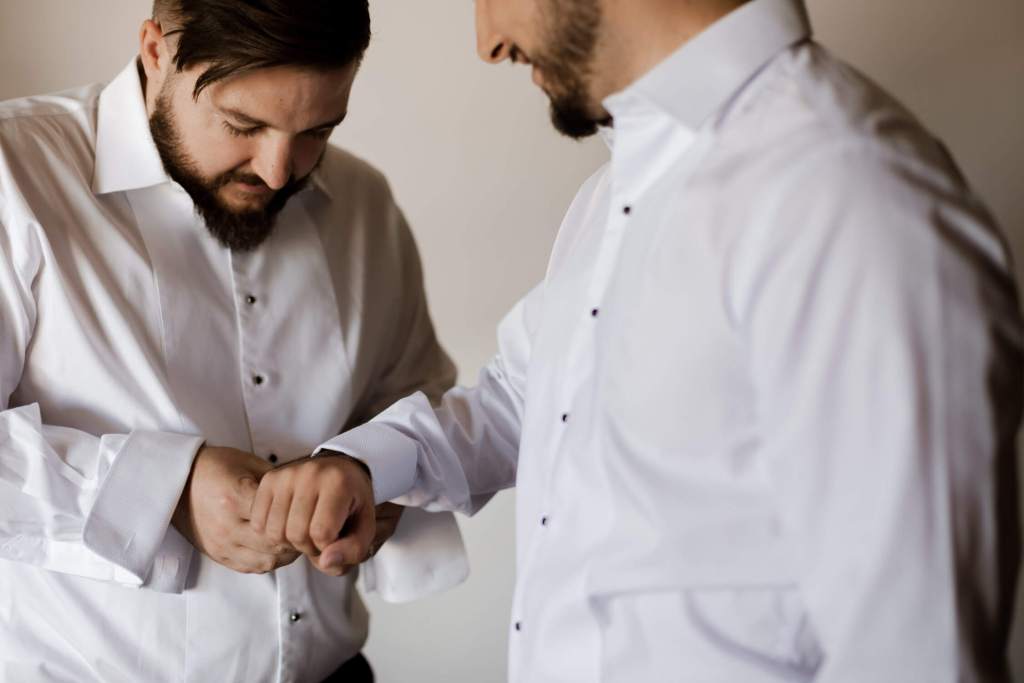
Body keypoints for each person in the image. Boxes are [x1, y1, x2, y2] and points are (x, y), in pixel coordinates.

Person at [256, 0, 1024, 680]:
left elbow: (918, 654)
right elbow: (524, 398)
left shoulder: (852, 200)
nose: (488, 42)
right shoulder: (617, 193)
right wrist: (363, 463)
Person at [0, 1, 467, 681]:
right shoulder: (13, 174)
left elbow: (417, 397)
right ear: (155, 51)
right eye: (243, 125)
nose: (279, 171)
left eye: (318, 130)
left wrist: (377, 474)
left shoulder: (363, 203)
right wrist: (168, 491)